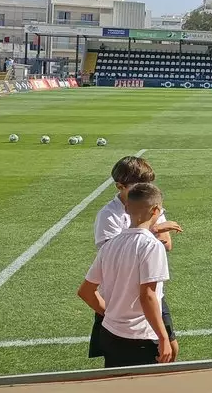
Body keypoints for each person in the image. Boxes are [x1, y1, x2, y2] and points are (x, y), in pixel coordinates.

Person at [91, 156, 182, 362]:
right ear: (120, 186)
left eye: (147, 184)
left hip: (149, 287)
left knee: (170, 349)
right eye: (138, 185)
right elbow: (117, 253)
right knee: (127, 357)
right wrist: (155, 228)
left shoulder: (149, 203)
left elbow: (167, 243)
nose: (144, 189)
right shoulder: (108, 215)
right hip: (120, 294)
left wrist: (152, 230)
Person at [77, 183, 174, 368]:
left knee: (116, 392)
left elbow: (86, 291)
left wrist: (111, 314)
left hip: (110, 334)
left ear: (127, 208)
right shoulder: (151, 246)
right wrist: (163, 338)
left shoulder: (110, 245)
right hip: (141, 338)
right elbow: (148, 296)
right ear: (156, 211)